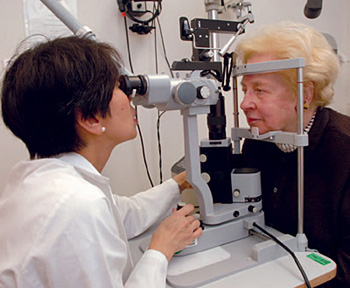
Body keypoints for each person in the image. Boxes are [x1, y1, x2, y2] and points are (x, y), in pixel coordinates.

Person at [0, 36, 202, 288]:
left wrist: (179, 184)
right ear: (90, 118)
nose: (131, 97)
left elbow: (123, 214)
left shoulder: (41, 182)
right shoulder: (77, 205)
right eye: (120, 87)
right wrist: (161, 249)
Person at [235, 21, 350, 287]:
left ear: (305, 93)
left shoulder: (343, 151)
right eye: (244, 90)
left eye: (259, 90)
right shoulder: (257, 141)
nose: (244, 103)